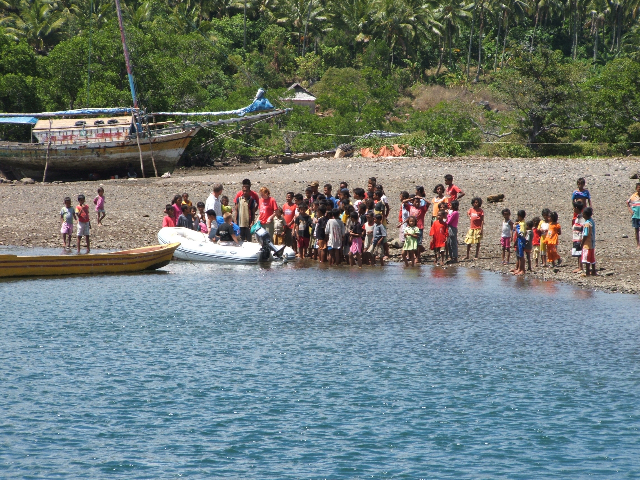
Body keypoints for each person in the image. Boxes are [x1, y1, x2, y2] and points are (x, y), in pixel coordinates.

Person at [581, 207, 596, 276]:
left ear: (586, 215)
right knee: (592, 258)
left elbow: (585, 234)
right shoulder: (591, 221)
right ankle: (593, 271)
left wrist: (582, 243)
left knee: (587, 258)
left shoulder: (587, 224)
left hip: (587, 243)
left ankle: (587, 272)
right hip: (592, 243)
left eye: (583, 214)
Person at [571, 200, 585, 273]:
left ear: (577, 208)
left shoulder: (581, 217)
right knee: (577, 252)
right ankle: (579, 266)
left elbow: (583, 227)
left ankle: (580, 267)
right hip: (576, 237)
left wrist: (582, 238)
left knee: (579, 252)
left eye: (574, 208)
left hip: (579, 237)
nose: (573, 209)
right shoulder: (577, 216)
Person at [511, 210, 526, 275]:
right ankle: (519, 268)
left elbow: (521, 233)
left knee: (521, 256)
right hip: (519, 240)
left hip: (521, 240)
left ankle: (522, 269)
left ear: (520, 216)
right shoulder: (520, 223)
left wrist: (516, 228)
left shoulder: (522, 224)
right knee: (519, 255)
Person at [626, 183, 640, 249]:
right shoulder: (633, 196)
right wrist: (631, 211)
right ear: (636, 188)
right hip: (636, 216)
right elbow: (627, 202)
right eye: (638, 188)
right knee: (636, 230)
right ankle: (638, 244)